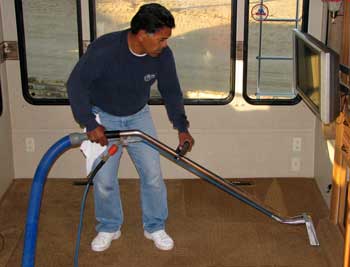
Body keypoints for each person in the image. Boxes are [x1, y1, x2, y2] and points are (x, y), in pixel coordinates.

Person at [67, 3, 194, 252]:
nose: (165, 44)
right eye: (161, 39)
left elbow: (171, 91)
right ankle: (109, 226)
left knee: (153, 175)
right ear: (141, 34)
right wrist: (89, 123)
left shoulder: (162, 56)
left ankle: (155, 226)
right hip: (103, 117)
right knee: (103, 179)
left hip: (138, 116)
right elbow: (76, 85)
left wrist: (182, 126)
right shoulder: (105, 50)